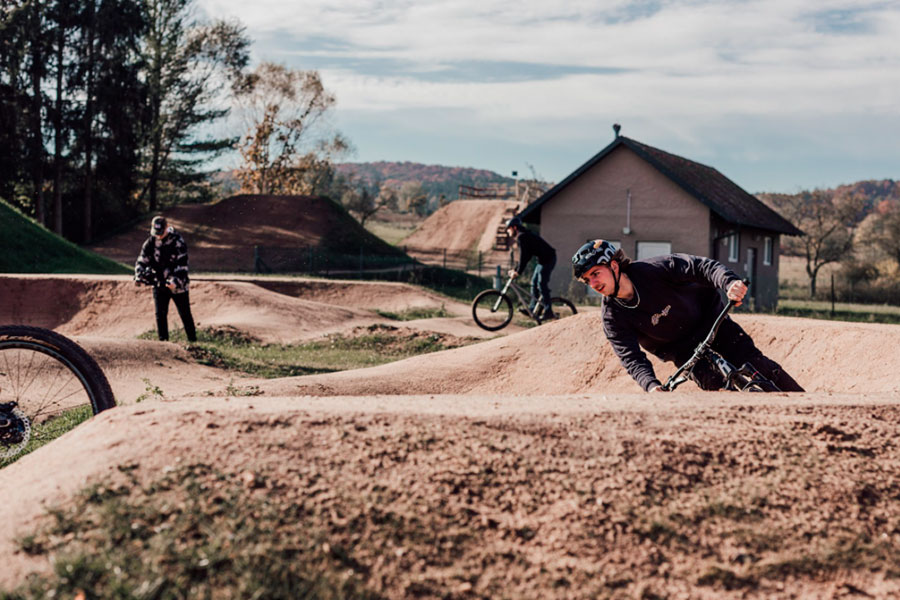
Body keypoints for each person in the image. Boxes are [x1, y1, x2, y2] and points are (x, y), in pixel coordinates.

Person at [571, 239, 804, 393]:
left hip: (712, 323)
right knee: (717, 390)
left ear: (613, 266)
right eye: (587, 280)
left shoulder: (655, 269)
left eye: (595, 274)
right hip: (682, 351)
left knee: (760, 365)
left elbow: (702, 267)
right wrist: (651, 386)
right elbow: (630, 357)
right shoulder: (612, 316)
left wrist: (729, 282)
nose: (593, 283)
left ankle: (811, 407)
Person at [134, 215, 197, 343]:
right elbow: (142, 260)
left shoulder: (178, 241)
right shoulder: (150, 242)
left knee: (184, 313)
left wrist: (175, 281)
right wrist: (139, 275)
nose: (158, 236)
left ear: (167, 228)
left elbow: (183, 265)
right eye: (156, 233)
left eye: (160, 233)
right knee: (160, 315)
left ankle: (193, 342)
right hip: (159, 283)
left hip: (178, 286)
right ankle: (163, 344)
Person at [505, 215, 557, 320]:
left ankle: (549, 311)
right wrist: (516, 269)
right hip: (542, 260)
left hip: (549, 259)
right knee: (534, 283)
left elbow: (524, 257)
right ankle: (533, 308)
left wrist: (518, 272)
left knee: (541, 284)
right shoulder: (524, 236)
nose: (507, 232)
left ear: (515, 227)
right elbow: (525, 257)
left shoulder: (522, 237)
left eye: (508, 229)